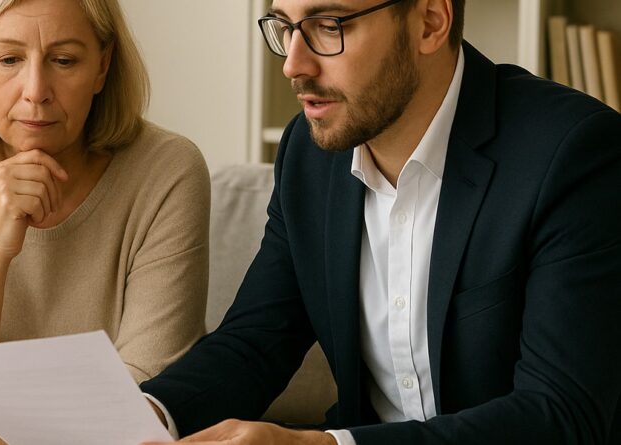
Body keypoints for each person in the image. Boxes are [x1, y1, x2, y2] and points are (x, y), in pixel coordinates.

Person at [139, 0, 621, 443]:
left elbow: (560, 414)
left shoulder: (573, 153)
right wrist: (148, 415)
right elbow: (256, 340)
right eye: (285, 27)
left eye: (328, 26)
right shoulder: (308, 153)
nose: (293, 64)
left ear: (430, 22)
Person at [0, 0, 210, 443]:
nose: (35, 91)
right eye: (9, 60)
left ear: (102, 66)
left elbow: (147, 394)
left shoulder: (168, 171)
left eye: (64, 60)